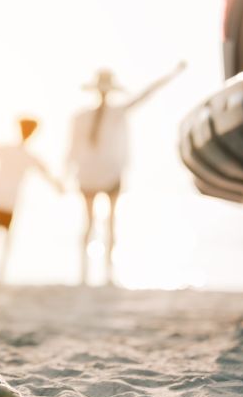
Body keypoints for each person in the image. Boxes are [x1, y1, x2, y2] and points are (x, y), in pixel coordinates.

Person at [68, 62, 185, 285]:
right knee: (102, 222)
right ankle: (94, 272)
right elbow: (72, 148)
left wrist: (171, 74)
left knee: (96, 222)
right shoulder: (96, 115)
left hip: (99, 174)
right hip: (98, 174)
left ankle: (96, 272)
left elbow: (71, 150)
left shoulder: (91, 115)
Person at [0, 118, 62, 282]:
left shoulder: (11, 151)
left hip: (2, 197)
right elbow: (46, 173)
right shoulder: (25, 155)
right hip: (6, 198)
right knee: (3, 234)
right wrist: (58, 186)